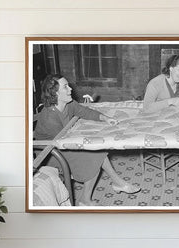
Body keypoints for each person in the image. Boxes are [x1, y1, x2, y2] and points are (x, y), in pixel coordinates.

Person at [34, 74, 140, 206]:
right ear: (54, 93)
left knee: (98, 151)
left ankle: (109, 187)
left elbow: (85, 111)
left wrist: (105, 118)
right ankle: (103, 190)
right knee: (93, 156)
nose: (70, 89)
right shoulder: (49, 116)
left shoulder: (69, 104)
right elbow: (62, 141)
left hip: (62, 144)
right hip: (50, 153)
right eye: (65, 87)